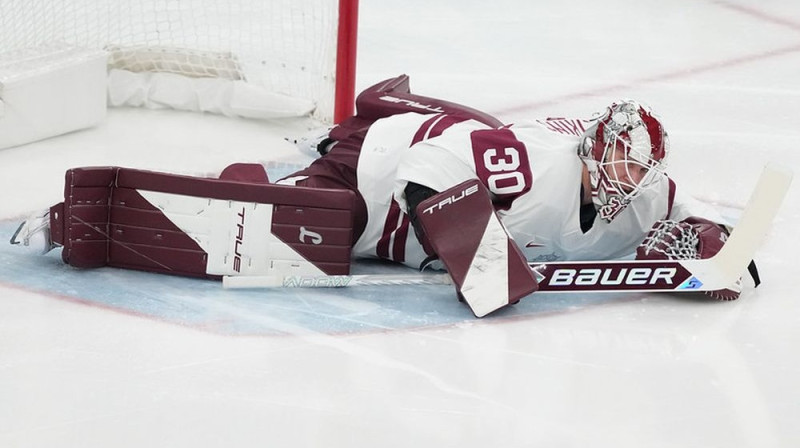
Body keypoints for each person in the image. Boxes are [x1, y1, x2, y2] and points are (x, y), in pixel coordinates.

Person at [11, 74, 741, 317]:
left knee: (329, 237)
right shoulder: (533, 158)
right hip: (376, 167)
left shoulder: (649, 193)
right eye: (607, 161)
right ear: (586, 147)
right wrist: (480, 263)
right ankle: (267, 169)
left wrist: (702, 250)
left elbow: (705, 234)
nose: (616, 181)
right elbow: (431, 171)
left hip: (409, 200)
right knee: (315, 232)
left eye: (630, 172)